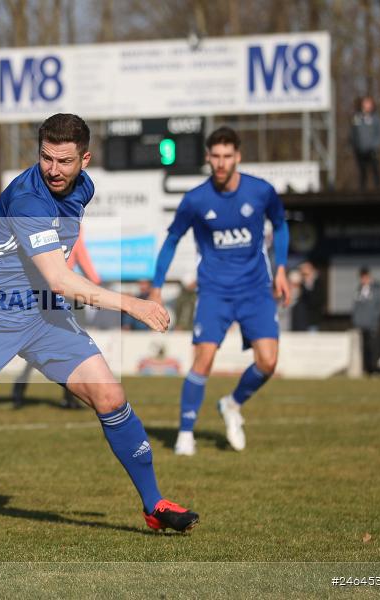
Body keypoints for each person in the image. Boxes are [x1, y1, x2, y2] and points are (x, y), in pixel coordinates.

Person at [0, 113, 198, 533]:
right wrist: (132, 304)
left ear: (85, 160)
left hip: (43, 315)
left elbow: (50, 254)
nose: (53, 169)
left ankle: (153, 503)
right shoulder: (28, 199)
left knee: (110, 396)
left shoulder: (83, 189)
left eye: (64, 161)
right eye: (46, 158)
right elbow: (59, 279)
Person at [148, 126, 290, 456]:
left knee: (268, 362)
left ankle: (232, 403)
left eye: (228, 156)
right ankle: (185, 435)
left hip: (255, 289)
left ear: (238, 156)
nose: (222, 162)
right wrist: (156, 287)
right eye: (216, 156)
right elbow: (172, 240)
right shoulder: (196, 200)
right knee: (203, 360)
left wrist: (281, 268)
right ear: (208, 158)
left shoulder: (261, 191)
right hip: (214, 292)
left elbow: (281, 225)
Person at [12, 227, 99, 409]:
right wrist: (96, 283)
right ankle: (68, 397)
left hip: (43, 290)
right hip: (64, 291)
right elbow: (82, 257)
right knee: (71, 343)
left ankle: (20, 389)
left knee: (41, 341)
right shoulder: (71, 228)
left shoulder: (41, 227)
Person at [352, 266, 380, 375]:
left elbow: (378, 308)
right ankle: (367, 368)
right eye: (362, 278)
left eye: (365, 277)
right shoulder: (358, 290)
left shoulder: (376, 289)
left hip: (372, 324)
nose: (363, 280)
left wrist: (375, 323)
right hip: (361, 324)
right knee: (363, 347)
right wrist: (356, 322)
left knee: (373, 347)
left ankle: (374, 368)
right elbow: (355, 308)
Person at [350, 95, 380, 190]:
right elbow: (353, 133)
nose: (367, 105)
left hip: (372, 150)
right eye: (365, 103)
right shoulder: (357, 117)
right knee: (362, 170)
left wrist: (375, 145)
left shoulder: (376, 118)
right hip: (360, 149)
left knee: (375, 169)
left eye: (369, 103)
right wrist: (354, 145)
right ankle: (362, 190)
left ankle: (378, 189)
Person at [291, 261, 323, 332]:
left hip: (312, 321)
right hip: (298, 322)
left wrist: (308, 283)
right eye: (303, 274)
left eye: (306, 274)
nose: (305, 276)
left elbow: (316, 301)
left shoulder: (318, 284)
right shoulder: (300, 284)